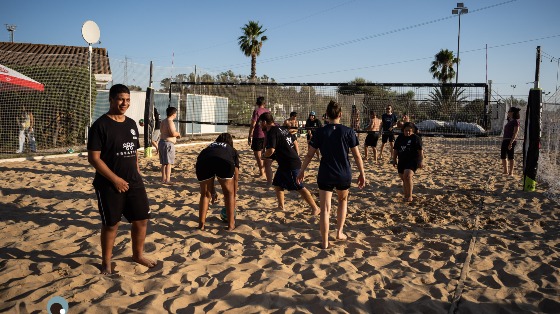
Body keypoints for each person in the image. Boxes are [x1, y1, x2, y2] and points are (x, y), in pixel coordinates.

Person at [87, 84, 156, 275]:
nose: (124, 103)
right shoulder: (100, 125)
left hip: (133, 181)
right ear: (110, 99)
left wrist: (137, 172)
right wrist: (115, 179)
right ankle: (106, 262)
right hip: (109, 183)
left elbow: (133, 153)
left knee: (141, 219)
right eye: (120, 99)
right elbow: (94, 158)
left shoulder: (131, 124)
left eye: (127, 100)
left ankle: (137, 255)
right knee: (111, 224)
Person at [297, 100, 366, 249]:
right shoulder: (348, 131)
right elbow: (357, 156)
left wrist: (302, 170)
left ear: (326, 115)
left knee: (325, 209)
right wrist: (362, 173)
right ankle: (339, 232)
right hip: (343, 173)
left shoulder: (320, 132)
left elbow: (309, 155)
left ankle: (325, 242)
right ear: (340, 114)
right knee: (342, 202)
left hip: (326, 173)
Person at [260, 112, 320, 214]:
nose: (260, 125)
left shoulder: (272, 132)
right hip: (286, 162)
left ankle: (315, 208)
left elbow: (271, 150)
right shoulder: (281, 128)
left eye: (260, 122)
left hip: (290, 163)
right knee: (278, 184)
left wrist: (264, 155)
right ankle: (280, 206)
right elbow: (290, 142)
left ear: (265, 122)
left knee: (299, 186)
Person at [196, 133, 239, 231]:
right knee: (228, 194)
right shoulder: (231, 150)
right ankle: (231, 225)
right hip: (224, 161)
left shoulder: (211, 146)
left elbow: (211, 173)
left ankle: (201, 225)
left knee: (205, 194)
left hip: (203, 160)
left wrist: (212, 191)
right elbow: (236, 177)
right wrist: (233, 195)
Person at [392, 122, 424, 202]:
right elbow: (395, 150)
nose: (408, 132)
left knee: (408, 175)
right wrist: (394, 159)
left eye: (409, 130)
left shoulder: (416, 138)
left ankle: (410, 196)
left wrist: (421, 161)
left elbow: (421, 152)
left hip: (413, 160)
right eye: (406, 130)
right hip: (402, 160)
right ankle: (406, 196)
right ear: (403, 130)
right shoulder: (400, 138)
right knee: (403, 178)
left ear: (412, 130)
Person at [248, 96, 272, 183]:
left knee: (258, 155)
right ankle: (264, 171)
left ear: (257, 103)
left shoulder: (256, 111)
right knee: (264, 154)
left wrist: (249, 135)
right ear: (264, 103)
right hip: (266, 135)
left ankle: (262, 172)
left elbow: (253, 124)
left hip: (258, 135)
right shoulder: (267, 111)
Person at [159, 107, 181, 184]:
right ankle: (167, 180)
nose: (176, 115)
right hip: (167, 144)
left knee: (163, 163)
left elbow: (162, 131)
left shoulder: (163, 121)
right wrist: (178, 134)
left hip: (161, 142)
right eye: (176, 113)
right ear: (173, 114)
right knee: (168, 163)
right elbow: (172, 133)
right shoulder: (170, 121)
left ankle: (163, 179)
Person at [501, 107, 521, 176]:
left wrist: (511, 143)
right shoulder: (509, 121)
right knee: (503, 155)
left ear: (512, 112)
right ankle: (505, 171)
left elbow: (515, 133)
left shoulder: (516, 121)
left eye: (509, 111)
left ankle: (511, 172)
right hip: (505, 139)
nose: (508, 112)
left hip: (511, 140)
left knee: (510, 156)